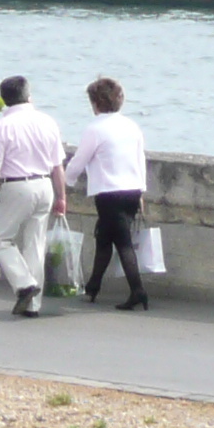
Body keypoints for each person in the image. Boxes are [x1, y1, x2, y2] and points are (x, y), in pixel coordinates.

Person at [0, 74, 68, 318]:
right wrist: (61, 196)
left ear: (5, 100)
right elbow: (58, 166)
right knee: (35, 243)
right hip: (44, 184)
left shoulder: (2, 126)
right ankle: (33, 305)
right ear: (29, 95)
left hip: (16, 186)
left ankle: (25, 284)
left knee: (0, 240)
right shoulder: (48, 122)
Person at [66, 76, 151, 310]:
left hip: (108, 194)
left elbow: (79, 161)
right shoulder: (132, 126)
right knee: (104, 238)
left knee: (122, 243)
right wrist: (141, 190)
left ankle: (138, 291)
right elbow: (139, 160)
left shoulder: (95, 129)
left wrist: (66, 181)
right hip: (132, 190)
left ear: (96, 103)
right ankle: (93, 287)